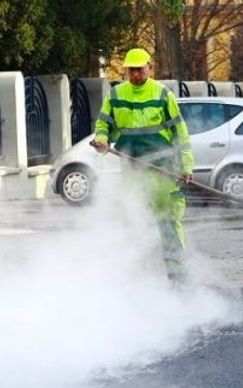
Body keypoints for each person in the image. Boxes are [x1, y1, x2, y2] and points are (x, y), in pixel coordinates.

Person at [92, 47, 194, 286]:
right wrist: (103, 140)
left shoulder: (162, 94)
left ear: (150, 67)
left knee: (167, 221)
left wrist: (186, 166)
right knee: (132, 219)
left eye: (140, 69)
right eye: (131, 70)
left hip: (162, 169)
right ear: (126, 71)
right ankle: (137, 278)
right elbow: (103, 124)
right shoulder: (116, 95)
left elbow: (180, 132)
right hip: (132, 167)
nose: (136, 74)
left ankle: (178, 276)